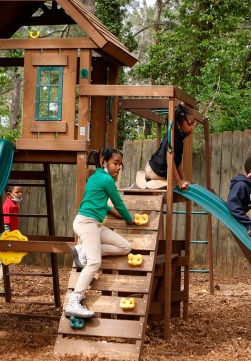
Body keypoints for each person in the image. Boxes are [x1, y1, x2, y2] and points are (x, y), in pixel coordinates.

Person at [64, 147, 134, 319]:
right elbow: (118, 203)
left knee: (125, 247)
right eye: (115, 163)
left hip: (93, 225)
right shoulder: (107, 180)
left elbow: (101, 204)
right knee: (94, 263)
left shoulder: (95, 178)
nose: (118, 167)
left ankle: (84, 250)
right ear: (104, 162)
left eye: (120, 165)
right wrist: (129, 219)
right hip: (86, 223)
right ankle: (74, 300)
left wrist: (115, 213)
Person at [136, 105, 194, 190]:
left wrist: (184, 179)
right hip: (153, 170)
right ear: (178, 124)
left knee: (173, 179)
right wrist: (179, 181)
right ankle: (143, 176)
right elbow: (169, 159)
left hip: (160, 171)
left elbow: (178, 163)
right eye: (190, 124)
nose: (192, 128)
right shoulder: (172, 137)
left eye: (193, 124)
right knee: (173, 181)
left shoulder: (179, 138)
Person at [0, 185, 23, 295]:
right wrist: (8, 239)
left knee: (7, 261)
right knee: (2, 260)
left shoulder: (15, 204)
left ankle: (2, 284)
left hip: (10, 235)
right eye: (17, 192)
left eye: (21, 192)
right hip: (4, 236)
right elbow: (5, 224)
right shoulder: (7, 206)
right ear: (9, 194)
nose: (20, 194)